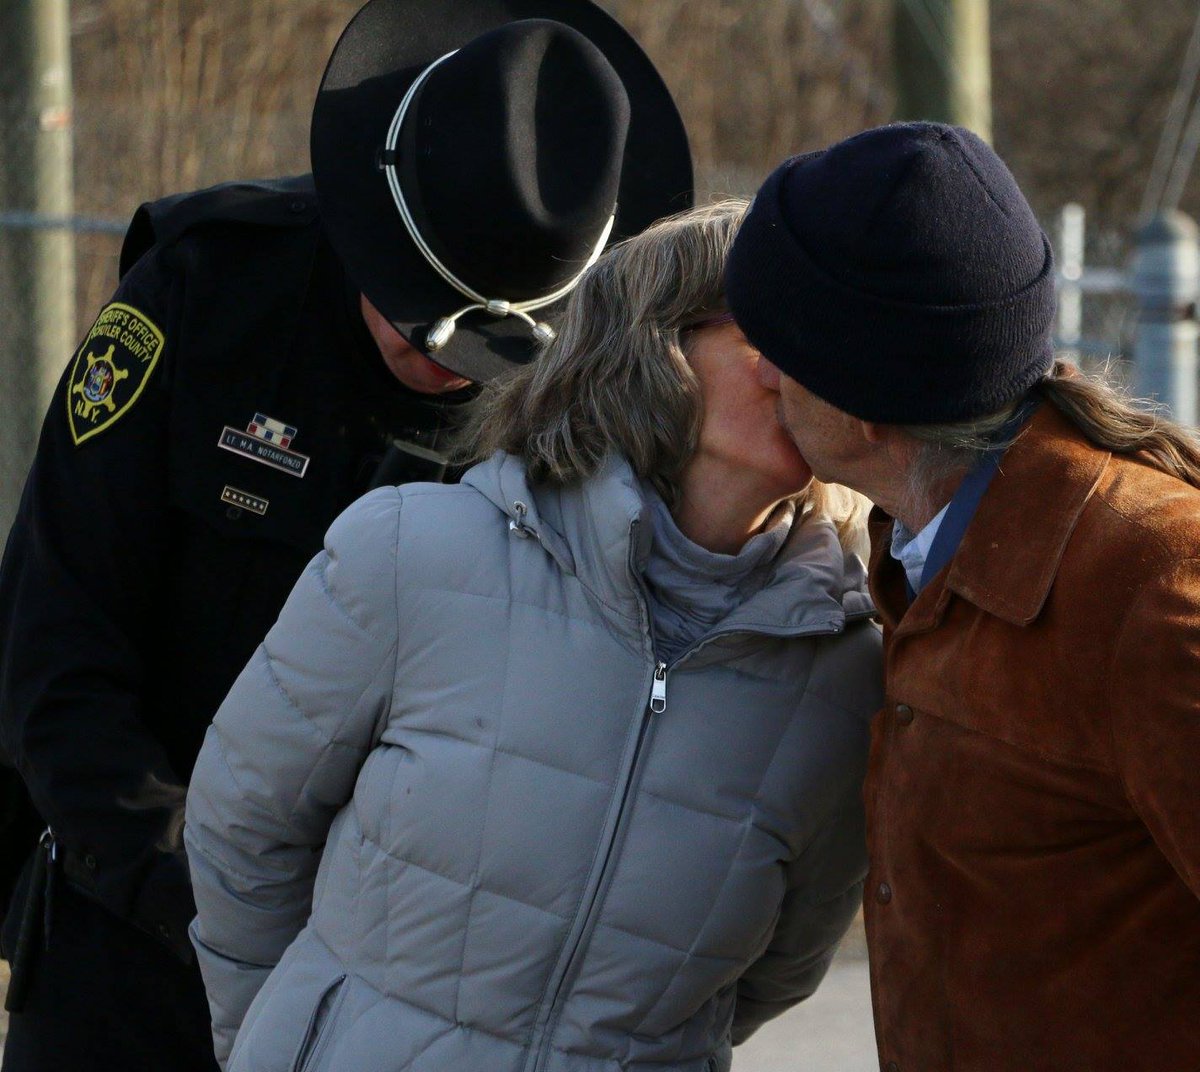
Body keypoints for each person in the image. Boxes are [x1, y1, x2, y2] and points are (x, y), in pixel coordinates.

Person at [0, 0, 693, 1067]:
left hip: (403, 1002)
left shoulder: (596, 423)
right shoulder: (205, 289)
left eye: (476, 340)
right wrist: (205, 899)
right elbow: (55, 635)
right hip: (134, 945)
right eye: (408, 298)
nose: (430, 355)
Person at [183, 200, 882, 1072]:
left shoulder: (847, 672)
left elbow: (777, 967)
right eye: (769, 334)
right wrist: (281, 1041)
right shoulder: (411, 553)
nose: (807, 371)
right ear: (654, 346)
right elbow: (241, 829)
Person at [725, 120, 1200, 1072]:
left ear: (862, 401)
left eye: (777, 347)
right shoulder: (929, 553)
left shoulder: (1152, 587)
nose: (763, 375)